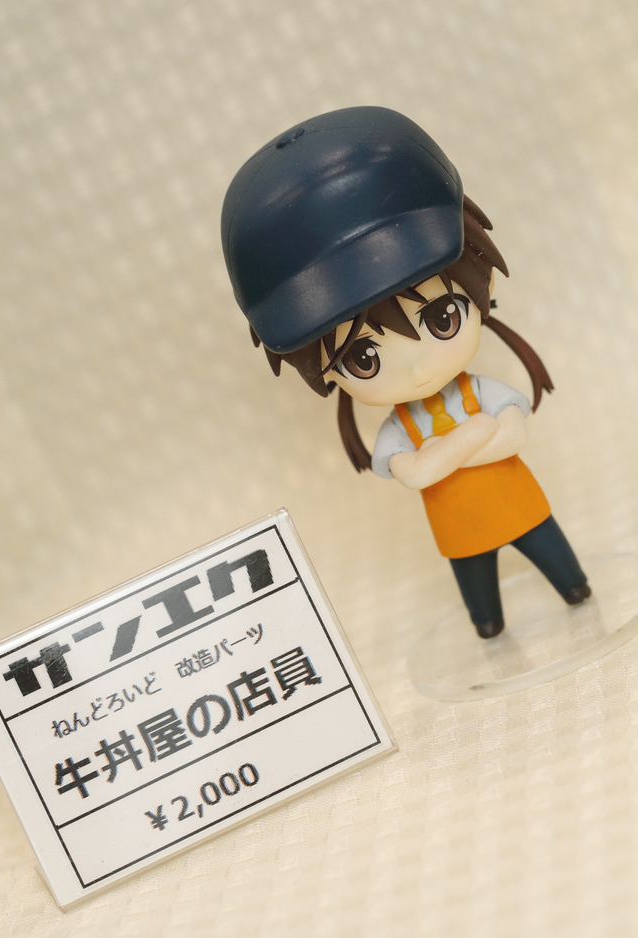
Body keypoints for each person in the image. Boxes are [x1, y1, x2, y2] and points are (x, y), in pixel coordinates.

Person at [221, 106, 590, 637]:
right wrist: (474, 436)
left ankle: (574, 589)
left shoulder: (473, 396)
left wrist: (447, 452)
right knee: (482, 607)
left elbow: (509, 438)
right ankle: (489, 626)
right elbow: (414, 473)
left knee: (564, 571)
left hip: (522, 508)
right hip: (460, 531)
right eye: (363, 359)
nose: (416, 366)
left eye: (442, 319)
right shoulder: (408, 428)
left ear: (481, 279)